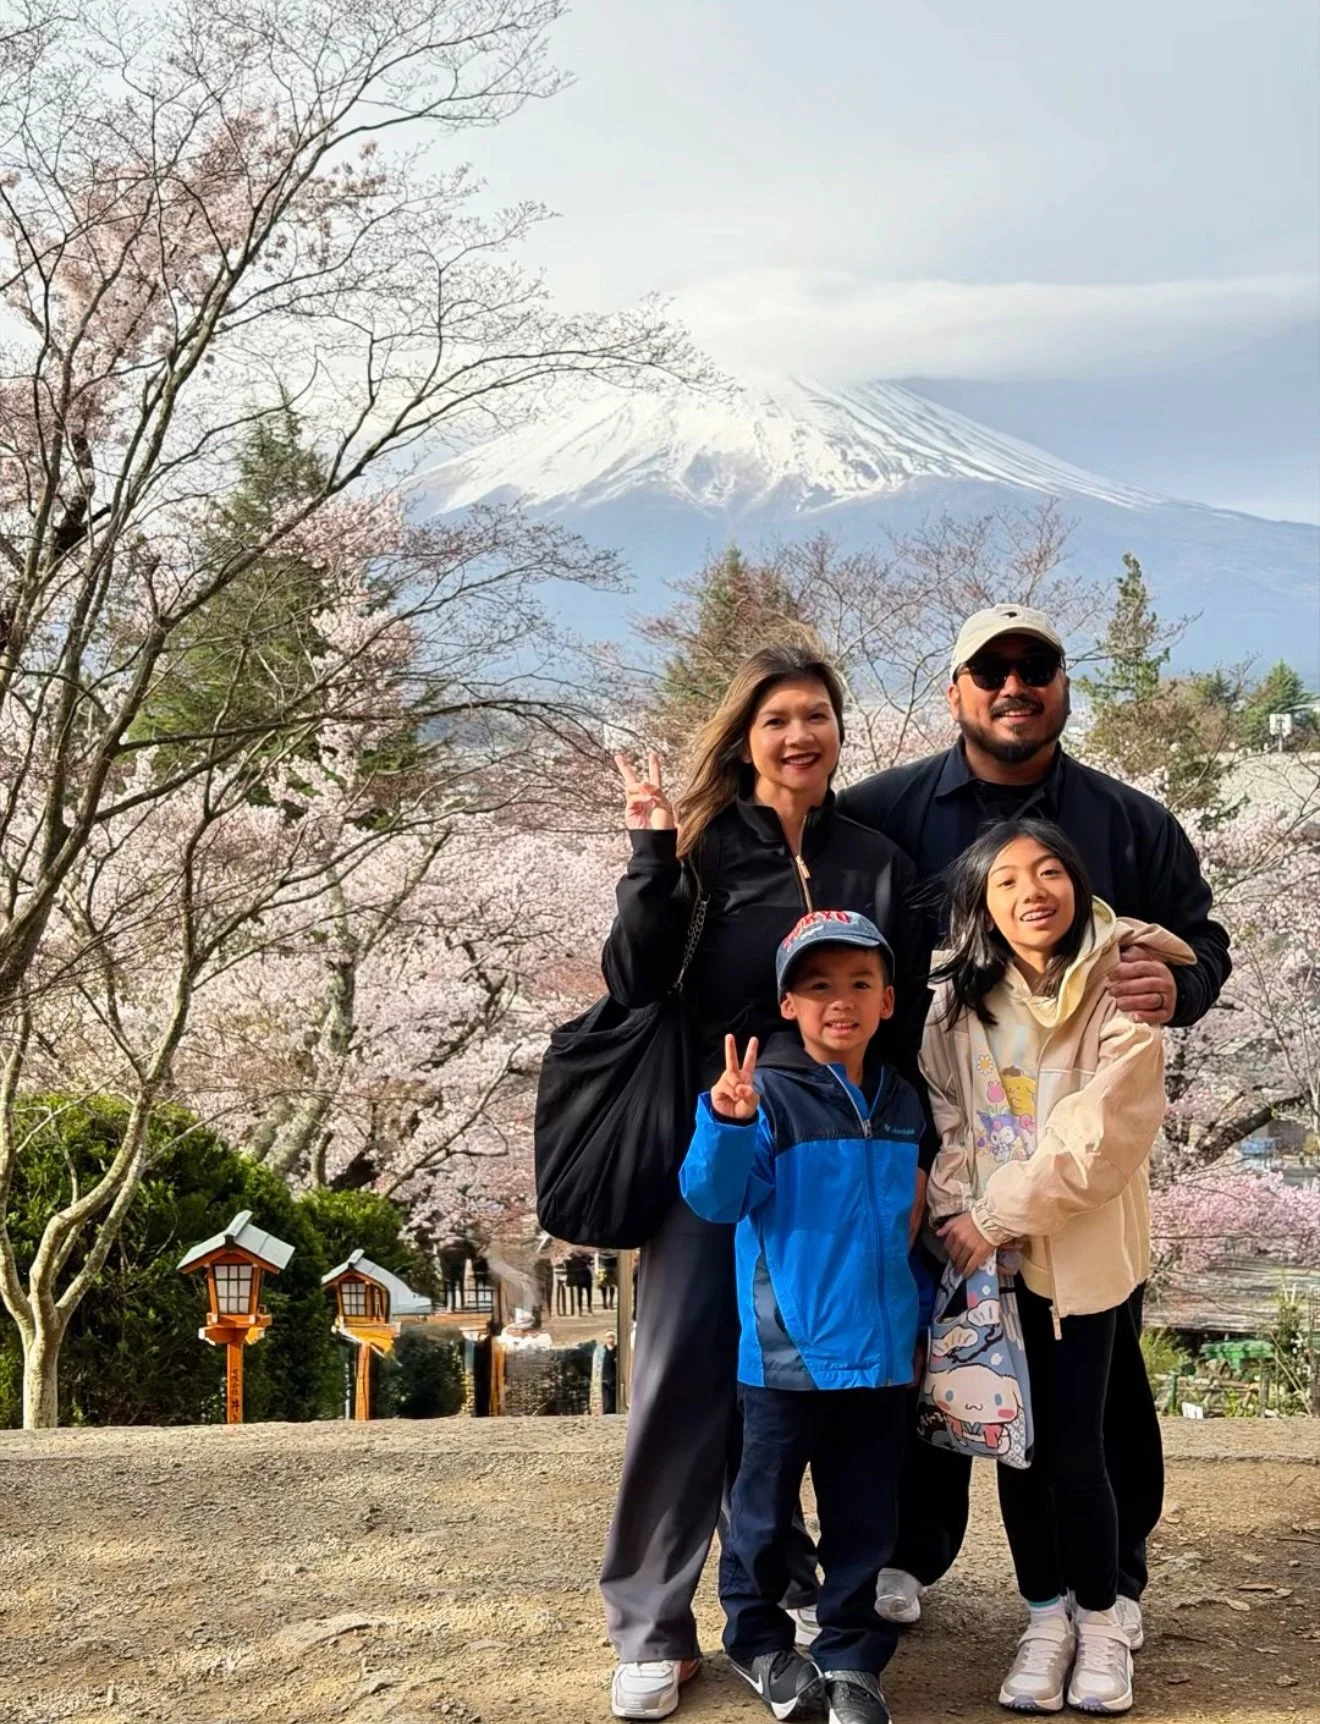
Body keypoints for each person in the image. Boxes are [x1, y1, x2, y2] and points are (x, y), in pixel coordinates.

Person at [838, 603, 1230, 1641]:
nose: (1015, 683)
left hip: (1077, 1168)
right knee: (934, 1336)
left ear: (1063, 684)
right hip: (929, 1124)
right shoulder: (885, 810)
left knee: (1095, 1380)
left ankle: (1114, 1577)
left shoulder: (1129, 823)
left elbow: (1203, 945)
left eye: (1036, 665)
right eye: (991, 669)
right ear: (955, 691)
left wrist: (1176, 987)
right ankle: (910, 1554)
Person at [599, 643, 929, 1722]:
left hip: (850, 1150)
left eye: (818, 715)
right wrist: (651, 847)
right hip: (729, 1133)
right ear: (746, 735)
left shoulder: (873, 855)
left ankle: (794, 1587)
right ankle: (653, 1617)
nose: (800, 734)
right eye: (778, 717)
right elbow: (635, 978)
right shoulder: (703, 846)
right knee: (688, 1380)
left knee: (811, 1381)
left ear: (841, 731)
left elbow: (907, 1007)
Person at [920, 819, 1193, 1713]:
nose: (1031, 893)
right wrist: (960, 1210)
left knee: (1078, 1446)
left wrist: (996, 1215)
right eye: (1005, 883)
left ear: (1076, 884)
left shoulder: (1122, 986)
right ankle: (1044, 1618)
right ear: (982, 903)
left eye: (1048, 874)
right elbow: (951, 1115)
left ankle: (1104, 1620)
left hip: (1076, 1260)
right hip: (984, 1258)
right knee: (1013, 1448)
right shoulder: (957, 996)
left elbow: (1102, 1140)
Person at [681, 911, 933, 1724]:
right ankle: (755, 1640)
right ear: (788, 1004)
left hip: (885, 1353)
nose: (840, 1002)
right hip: (785, 1357)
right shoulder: (765, 1097)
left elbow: (915, 1229)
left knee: (867, 1518)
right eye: (817, 986)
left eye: (859, 983)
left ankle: (852, 1657)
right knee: (762, 1510)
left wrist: (922, 1326)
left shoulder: (905, 1102)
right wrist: (727, 1120)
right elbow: (714, 1199)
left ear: (889, 999)